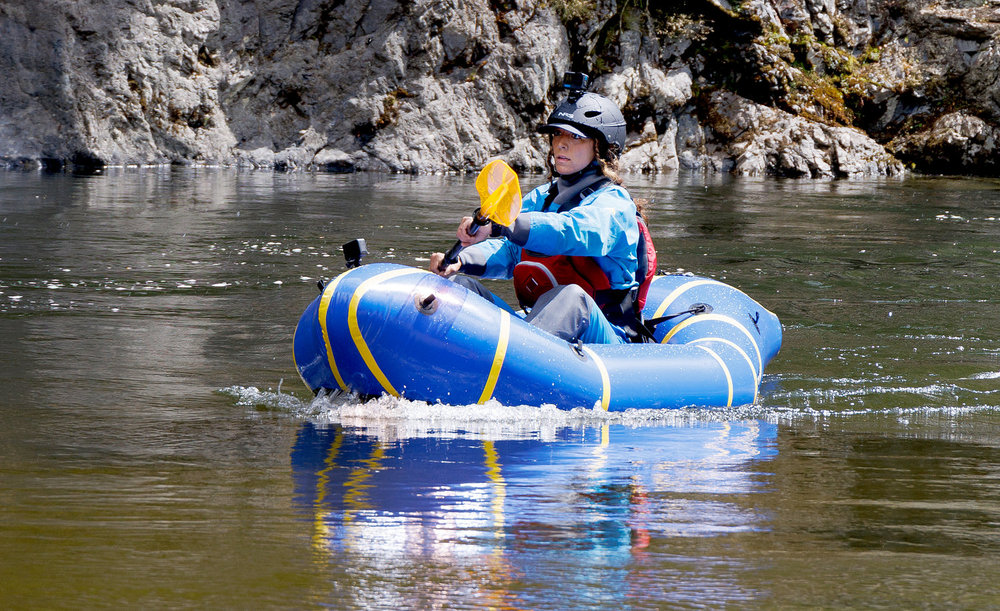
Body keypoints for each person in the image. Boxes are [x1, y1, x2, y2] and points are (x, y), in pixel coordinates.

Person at [429, 77, 656, 344]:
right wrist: (463, 260)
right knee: (460, 287)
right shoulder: (543, 196)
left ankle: (512, 361)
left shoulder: (614, 204)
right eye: (558, 133)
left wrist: (504, 225)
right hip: (540, 333)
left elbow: (574, 232)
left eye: (576, 137)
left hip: (607, 337)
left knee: (571, 297)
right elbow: (510, 252)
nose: (561, 143)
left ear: (602, 147)